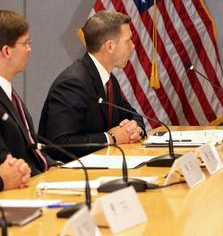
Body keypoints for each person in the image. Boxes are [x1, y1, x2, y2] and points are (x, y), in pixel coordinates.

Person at [39, 11, 145, 160]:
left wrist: (136, 129)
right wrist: (111, 137)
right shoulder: (73, 83)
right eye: (128, 41)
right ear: (110, 47)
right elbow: (59, 144)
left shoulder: (109, 79)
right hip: (68, 176)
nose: (133, 46)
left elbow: (132, 115)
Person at [0, 10, 55, 175]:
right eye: (25, 44)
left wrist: (54, 166)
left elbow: (31, 148)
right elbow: (5, 161)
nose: (29, 49)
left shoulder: (9, 93)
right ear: (6, 51)